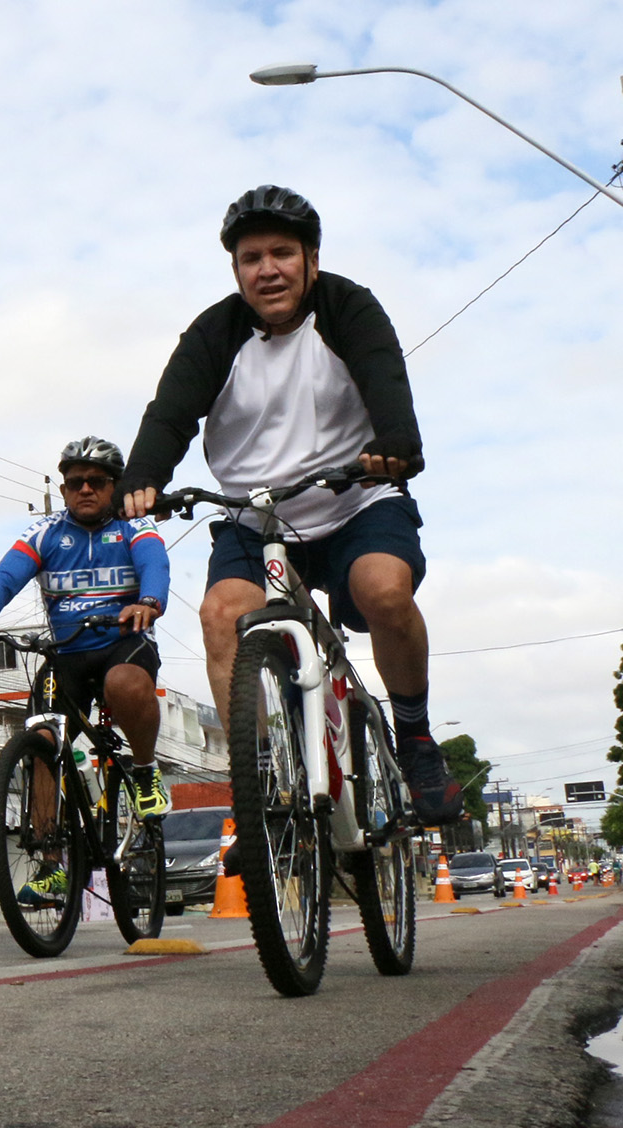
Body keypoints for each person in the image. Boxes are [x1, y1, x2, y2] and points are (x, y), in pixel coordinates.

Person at [117, 184, 462, 827]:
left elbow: (385, 376)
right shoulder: (214, 334)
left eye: (282, 253)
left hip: (356, 499)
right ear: (236, 269)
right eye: (252, 258)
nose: (267, 269)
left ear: (311, 259)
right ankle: (264, 777)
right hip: (259, 518)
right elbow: (170, 414)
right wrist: (141, 478)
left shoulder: (348, 308)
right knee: (222, 614)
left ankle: (414, 737)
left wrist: (396, 443)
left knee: (383, 593)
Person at [0, 437, 170, 906]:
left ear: (114, 485)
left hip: (123, 645)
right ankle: (51, 866)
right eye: (75, 483)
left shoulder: (135, 527)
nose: (85, 489)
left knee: (122, 683)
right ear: (64, 489)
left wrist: (148, 602)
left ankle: (146, 772)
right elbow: (4, 578)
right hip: (66, 653)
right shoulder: (45, 532)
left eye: (97, 481)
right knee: (43, 741)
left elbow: (155, 563)